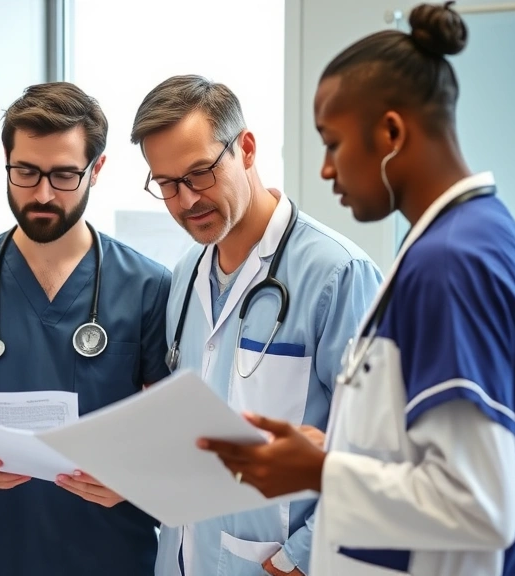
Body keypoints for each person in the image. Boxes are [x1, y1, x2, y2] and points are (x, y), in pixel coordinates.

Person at [198, 3, 515, 575]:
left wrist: (318, 472)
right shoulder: (476, 236)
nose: (326, 169)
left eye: (332, 143)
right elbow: (433, 460)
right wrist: (335, 451)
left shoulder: (451, 265)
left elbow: (479, 503)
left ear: (391, 133)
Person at [129, 74, 383, 576]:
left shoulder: (336, 274)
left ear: (245, 148)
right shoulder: (185, 276)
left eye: (200, 173)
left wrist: (298, 559)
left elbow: (376, 452)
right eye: (166, 184)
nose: (185, 201)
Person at [0, 81, 172, 576]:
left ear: (97, 169)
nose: (42, 194)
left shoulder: (149, 287)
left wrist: (134, 479)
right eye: (26, 172)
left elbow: (172, 436)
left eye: (64, 175)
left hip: (115, 557)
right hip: (2, 554)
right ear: (6, 161)